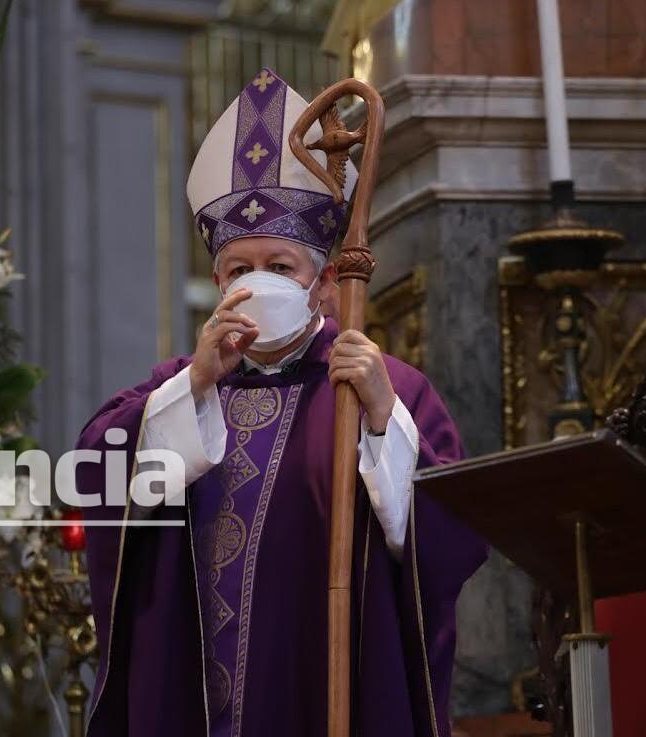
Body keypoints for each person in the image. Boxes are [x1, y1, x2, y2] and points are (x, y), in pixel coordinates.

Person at [76, 69, 487, 737]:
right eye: (239, 269)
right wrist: (196, 387)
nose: (257, 283)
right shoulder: (180, 384)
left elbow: (454, 542)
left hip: (326, 696)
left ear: (324, 283)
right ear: (215, 282)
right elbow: (94, 469)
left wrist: (384, 422)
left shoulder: (383, 389)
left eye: (281, 266)